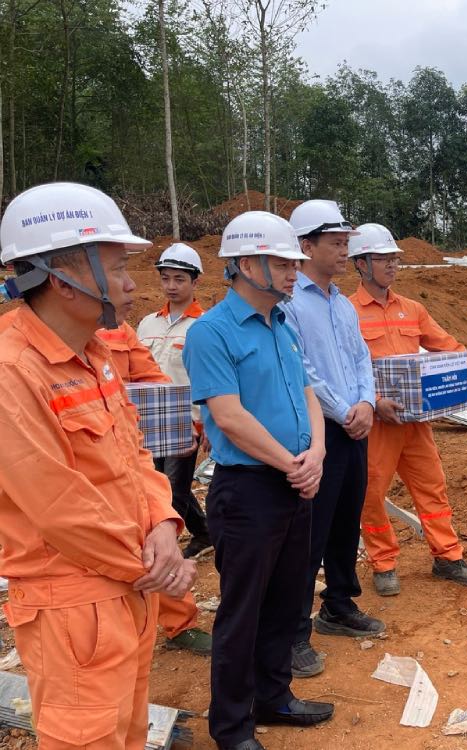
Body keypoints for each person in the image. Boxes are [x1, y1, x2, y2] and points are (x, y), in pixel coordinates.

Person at [0, 182, 196, 749]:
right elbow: (58, 506)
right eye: (117, 268)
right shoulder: (13, 372)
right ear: (63, 281)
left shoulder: (97, 355)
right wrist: (159, 566)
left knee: (128, 733)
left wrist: (164, 524)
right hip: (74, 606)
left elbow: (135, 455)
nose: (133, 283)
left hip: (130, 585)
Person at [183, 211, 332, 750]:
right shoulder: (211, 332)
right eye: (283, 263)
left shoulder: (283, 325)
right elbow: (228, 416)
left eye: (294, 263)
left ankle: (275, 697)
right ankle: (231, 727)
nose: (294, 272)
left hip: (296, 483)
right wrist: (292, 464)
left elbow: (308, 393)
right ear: (246, 265)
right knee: (242, 611)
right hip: (248, 491)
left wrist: (316, 453)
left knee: (288, 600)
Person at [347, 223, 467, 596]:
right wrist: (375, 401)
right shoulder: (346, 313)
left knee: (432, 487)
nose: (392, 265)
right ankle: (384, 563)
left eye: (394, 258)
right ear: (360, 263)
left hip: (415, 421)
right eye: (383, 258)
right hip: (376, 423)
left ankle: (448, 557)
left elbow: (450, 346)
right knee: (372, 494)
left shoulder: (412, 309)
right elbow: (341, 370)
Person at [281, 200, 383, 679]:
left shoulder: (342, 303)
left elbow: (361, 358)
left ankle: (339, 605)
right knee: (310, 533)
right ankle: (293, 631)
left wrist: (366, 403)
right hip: (320, 432)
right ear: (306, 246)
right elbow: (302, 370)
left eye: (346, 242)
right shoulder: (289, 304)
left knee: (346, 522)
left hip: (354, 428)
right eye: (337, 243)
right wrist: (345, 411)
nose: (346, 251)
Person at [96, 312, 212, 658]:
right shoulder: (18, 349)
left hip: (127, 460)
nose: (131, 286)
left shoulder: (120, 330)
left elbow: (152, 378)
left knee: (156, 532)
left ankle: (180, 623)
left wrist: (179, 421)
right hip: (70, 476)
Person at [136, 243, 213, 559]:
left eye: (179, 279)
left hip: (185, 421)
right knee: (160, 483)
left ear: (195, 282)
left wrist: (209, 423)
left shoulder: (204, 326)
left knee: (172, 489)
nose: (171, 285)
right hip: (150, 419)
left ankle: (166, 552)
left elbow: (211, 379)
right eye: (166, 278)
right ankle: (204, 532)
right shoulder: (147, 324)